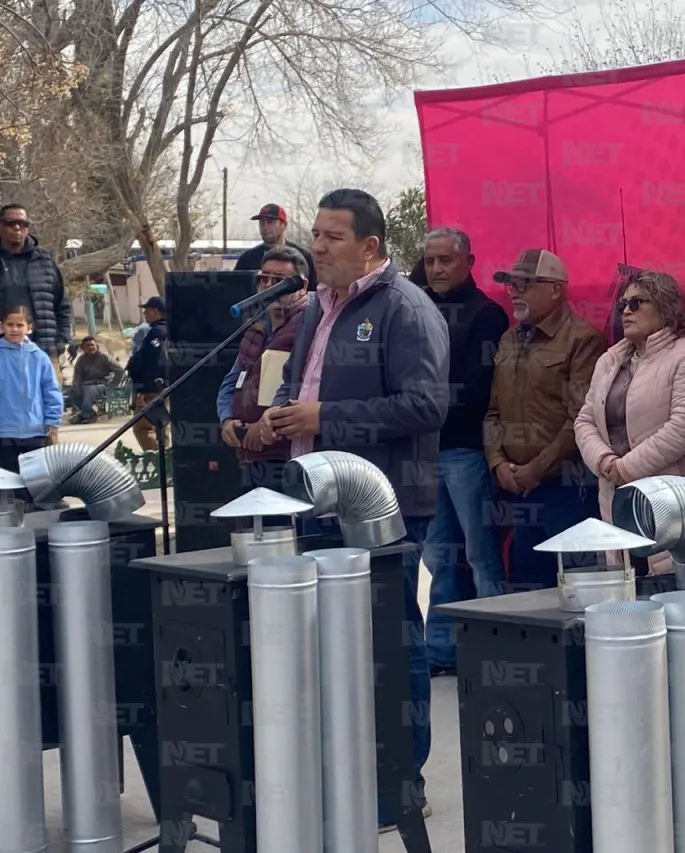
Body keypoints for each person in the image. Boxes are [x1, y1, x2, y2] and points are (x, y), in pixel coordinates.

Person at [259, 188, 449, 827]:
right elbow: (299, 383)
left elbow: (426, 406)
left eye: (331, 237)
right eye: (315, 234)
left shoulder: (406, 308)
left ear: (370, 247)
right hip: (314, 498)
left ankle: (401, 783)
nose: (316, 246)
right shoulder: (317, 307)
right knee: (328, 649)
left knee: (390, 646)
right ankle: (341, 773)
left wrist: (326, 416)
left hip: (383, 507)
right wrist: (283, 414)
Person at [414, 227, 510, 678]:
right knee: (437, 557)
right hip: (426, 450)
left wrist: (420, 406)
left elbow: (479, 388)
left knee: (480, 555)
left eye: (445, 260)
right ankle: (442, 651)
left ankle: (495, 648)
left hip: (467, 451)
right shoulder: (415, 307)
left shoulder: (486, 315)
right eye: (430, 260)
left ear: (468, 262)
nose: (436, 269)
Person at [574, 270, 685, 574]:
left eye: (637, 303)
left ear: (665, 307)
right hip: (617, 496)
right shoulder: (609, 360)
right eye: (623, 304)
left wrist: (625, 468)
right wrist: (604, 461)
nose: (626, 310)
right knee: (628, 595)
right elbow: (585, 420)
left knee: (676, 597)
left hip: (673, 494)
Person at [483, 249, 606, 591]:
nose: (513, 291)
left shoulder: (583, 339)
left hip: (565, 489)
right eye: (511, 284)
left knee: (578, 590)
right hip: (518, 490)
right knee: (531, 592)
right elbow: (493, 410)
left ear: (556, 289)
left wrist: (535, 469)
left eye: (524, 284)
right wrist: (497, 463)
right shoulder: (509, 339)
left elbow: (580, 419)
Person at [216, 246, 311, 491]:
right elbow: (232, 380)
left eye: (278, 281)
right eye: (263, 279)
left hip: (289, 458)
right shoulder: (255, 327)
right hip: (250, 455)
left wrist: (266, 426)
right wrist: (227, 419)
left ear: (301, 285)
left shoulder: (310, 325)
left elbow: (302, 387)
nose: (268, 286)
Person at [0, 204, 71, 381]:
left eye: (22, 224)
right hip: (2, 353)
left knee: (49, 403)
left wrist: (60, 340)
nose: (17, 228)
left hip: (43, 350)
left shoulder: (45, 261)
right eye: (11, 223)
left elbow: (62, 305)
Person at [0, 305, 61, 490]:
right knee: (8, 481)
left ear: (29, 327)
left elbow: (51, 389)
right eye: (9, 324)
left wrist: (52, 418)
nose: (14, 329)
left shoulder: (39, 357)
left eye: (20, 324)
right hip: (4, 432)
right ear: (1, 326)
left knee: (35, 482)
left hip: (34, 430)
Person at [234, 203, 316, 288]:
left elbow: (313, 291)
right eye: (262, 223)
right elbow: (236, 290)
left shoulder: (303, 257)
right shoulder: (247, 259)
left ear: (284, 225)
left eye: (270, 222)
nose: (265, 227)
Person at [127, 296, 169, 451]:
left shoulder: (156, 333)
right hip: (166, 386)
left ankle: (159, 461)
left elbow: (153, 362)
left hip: (153, 389)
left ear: (156, 312)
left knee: (143, 429)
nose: (144, 314)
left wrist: (144, 390)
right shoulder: (171, 330)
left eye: (147, 310)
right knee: (162, 428)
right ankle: (166, 459)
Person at [68, 335, 126, 423]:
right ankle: (89, 413)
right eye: (88, 346)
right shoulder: (81, 360)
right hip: (87, 384)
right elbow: (77, 376)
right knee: (73, 390)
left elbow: (120, 370)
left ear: (96, 345)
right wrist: (76, 386)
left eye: (92, 345)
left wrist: (114, 384)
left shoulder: (104, 357)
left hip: (103, 384)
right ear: (83, 348)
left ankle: (85, 415)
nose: (91, 347)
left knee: (90, 390)